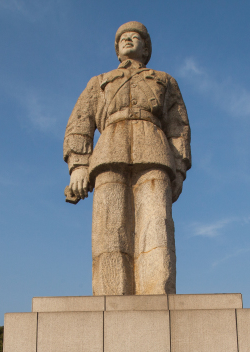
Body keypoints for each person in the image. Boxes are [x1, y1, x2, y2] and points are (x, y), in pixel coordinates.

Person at [64, 21, 191, 295]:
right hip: (109, 150)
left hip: (154, 151)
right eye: (122, 37)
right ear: (116, 49)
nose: (128, 40)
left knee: (156, 224)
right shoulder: (98, 82)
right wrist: (78, 164)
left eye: (135, 37)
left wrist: (179, 169)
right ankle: (112, 295)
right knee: (110, 227)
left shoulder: (165, 80)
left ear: (146, 48)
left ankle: (157, 292)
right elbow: (80, 122)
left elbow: (178, 126)